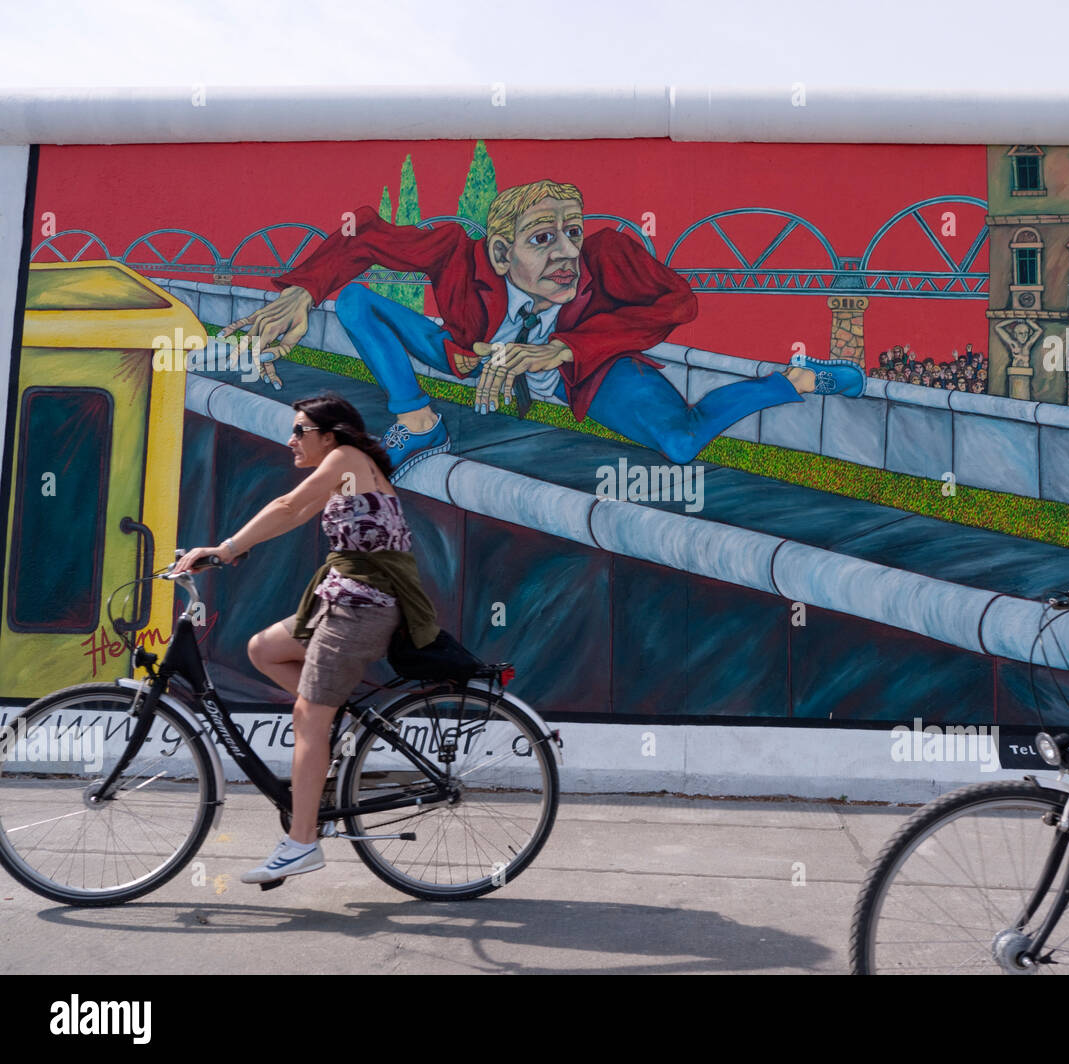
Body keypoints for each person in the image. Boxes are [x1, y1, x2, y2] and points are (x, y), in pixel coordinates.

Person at [223, 179, 864, 477]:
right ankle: (420, 422)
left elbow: (676, 306)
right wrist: (305, 292)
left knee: (680, 445)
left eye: (571, 234)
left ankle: (796, 379)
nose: (566, 253)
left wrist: (561, 348)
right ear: (501, 255)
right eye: (543, 239)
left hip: (584, 374)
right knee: (358, 302)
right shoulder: (457, 252)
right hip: (468, 356)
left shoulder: (608, 256)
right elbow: (364, 239)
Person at [173, 394, 439, 884]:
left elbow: (288, 503)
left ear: (330, 434)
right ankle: (333, 728)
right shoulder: (345, 469)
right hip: (339, 599)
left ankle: (301, 843)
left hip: (361, 606)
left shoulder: (347, 458)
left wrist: (226, 547)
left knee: (307, 716)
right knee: (264, 649)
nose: (291, 440)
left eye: (300, 430)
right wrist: (231, 553)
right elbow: (295, 515)